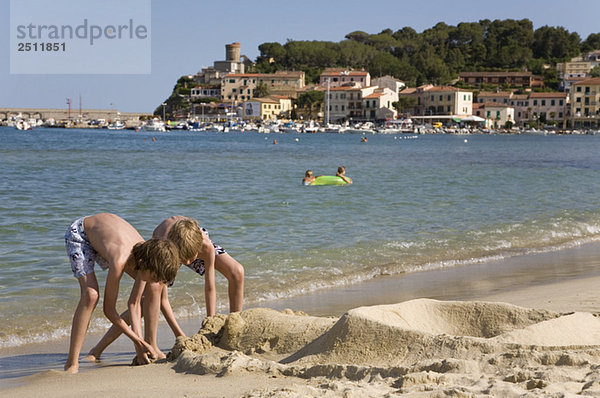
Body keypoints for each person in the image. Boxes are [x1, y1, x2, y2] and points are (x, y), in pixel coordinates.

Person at [87, 216, 244, 359]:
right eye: (183, 261)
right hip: (168, 244)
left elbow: (210, 286)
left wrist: (209, 323)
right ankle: (106, 348)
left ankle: (234, 332)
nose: (187, 264)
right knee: (152, 290)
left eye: (190, 260)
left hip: (189, 241)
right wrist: (180, 337)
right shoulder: (166, 247)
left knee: (237, 272)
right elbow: (163, 301)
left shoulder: (205, 245)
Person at [63, 213, 180, 373]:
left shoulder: (146, 255)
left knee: (153, 289)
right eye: (152, 276)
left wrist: (138, 343)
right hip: (81, 234)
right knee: (91, 295)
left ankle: (147, 345)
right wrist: (136, 340)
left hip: (109, 238)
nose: (152, 280)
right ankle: (72, 363)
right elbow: (109, 310)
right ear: (143, 265)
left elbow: (134, 303)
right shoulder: (120, 260)